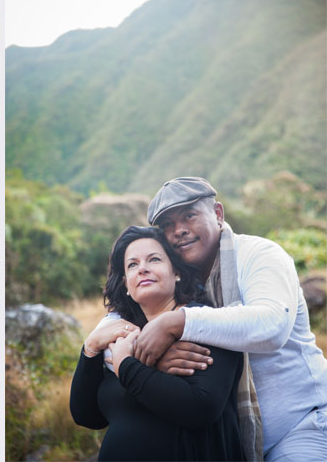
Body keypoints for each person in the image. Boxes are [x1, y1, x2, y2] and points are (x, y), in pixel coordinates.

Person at [102, 177, 327, 461]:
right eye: (168, 225)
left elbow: (273, 325)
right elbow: (114, 324)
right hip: (236, 445)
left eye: (189, 215)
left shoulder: (259, 255)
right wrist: (149, 355)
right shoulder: (181, 279)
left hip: (302, 426)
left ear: (218, 214)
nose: (180, 230)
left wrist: (177, 323)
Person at [70, 226, 245, 461]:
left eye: (154, 259)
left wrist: (126, 365)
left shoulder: (205, 323)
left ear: (177, 273)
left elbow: (201, 409)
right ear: (126, 285)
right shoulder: (120, 336)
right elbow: (87, 416)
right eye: (132, 265)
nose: (142, 268)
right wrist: (90, 348)